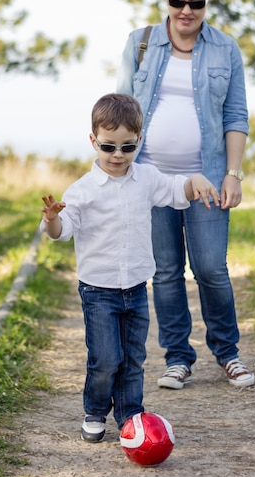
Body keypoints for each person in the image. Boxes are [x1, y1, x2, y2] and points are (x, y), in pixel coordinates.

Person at [40, 93, 219, 442]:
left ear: (140, 140)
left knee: (133, 359)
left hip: (136, 287)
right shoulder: (82, 190)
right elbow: (61, 233)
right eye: (108, 147)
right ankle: (94, 411)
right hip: (98, 290)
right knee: (106, 359)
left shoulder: (147, 178)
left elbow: (174, 189)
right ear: (94, 141)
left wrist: (194, 180)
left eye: (127, 146)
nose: (118, 155)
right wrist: (51, 219)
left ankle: (130, 415)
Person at [117, 0, 255, 390]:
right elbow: (120, 109)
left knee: (212, 268)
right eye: (178, 1)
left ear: (206, 2)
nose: (186, 11)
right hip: (151, 179)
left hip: (208, 179)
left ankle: (228, 353)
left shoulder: (225, 49)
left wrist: (233, 174)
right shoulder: (140, 44)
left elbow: (235, 115)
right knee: (166, 272)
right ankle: (178, 357)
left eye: (195, 3)